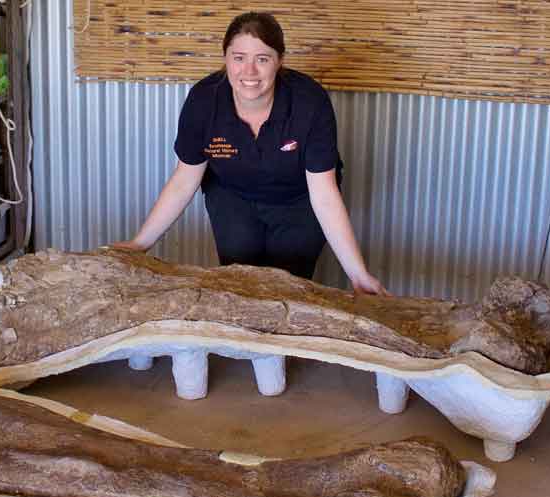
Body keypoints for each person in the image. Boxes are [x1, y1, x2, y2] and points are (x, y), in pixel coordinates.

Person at [113, 11, 387, 295]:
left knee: (289, 284)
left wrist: (358, 274)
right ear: (225, 58)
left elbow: (324, 194)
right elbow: (184, 180)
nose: (249, 71)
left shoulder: (309, 103)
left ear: (280, 61)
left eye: (262, 59)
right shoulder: (203, 101)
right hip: (232, 196)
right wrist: (140, 243)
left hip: (299, 200)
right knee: (239, 280)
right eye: (239, 57)